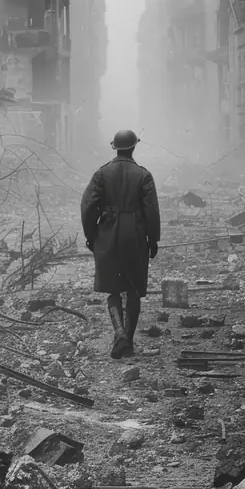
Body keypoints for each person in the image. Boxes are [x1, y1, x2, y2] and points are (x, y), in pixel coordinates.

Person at [81, 129, 161, 359]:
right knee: (133, 287)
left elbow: (87, 207)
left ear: (114, 147)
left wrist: (91, 235)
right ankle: (128, 338)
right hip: (135, 235)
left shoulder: (101, 173)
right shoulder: (143, 175)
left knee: (113, 288)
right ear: (134, 147)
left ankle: (119, 334)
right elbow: (151, 211)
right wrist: (152, 239)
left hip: (107, 234)